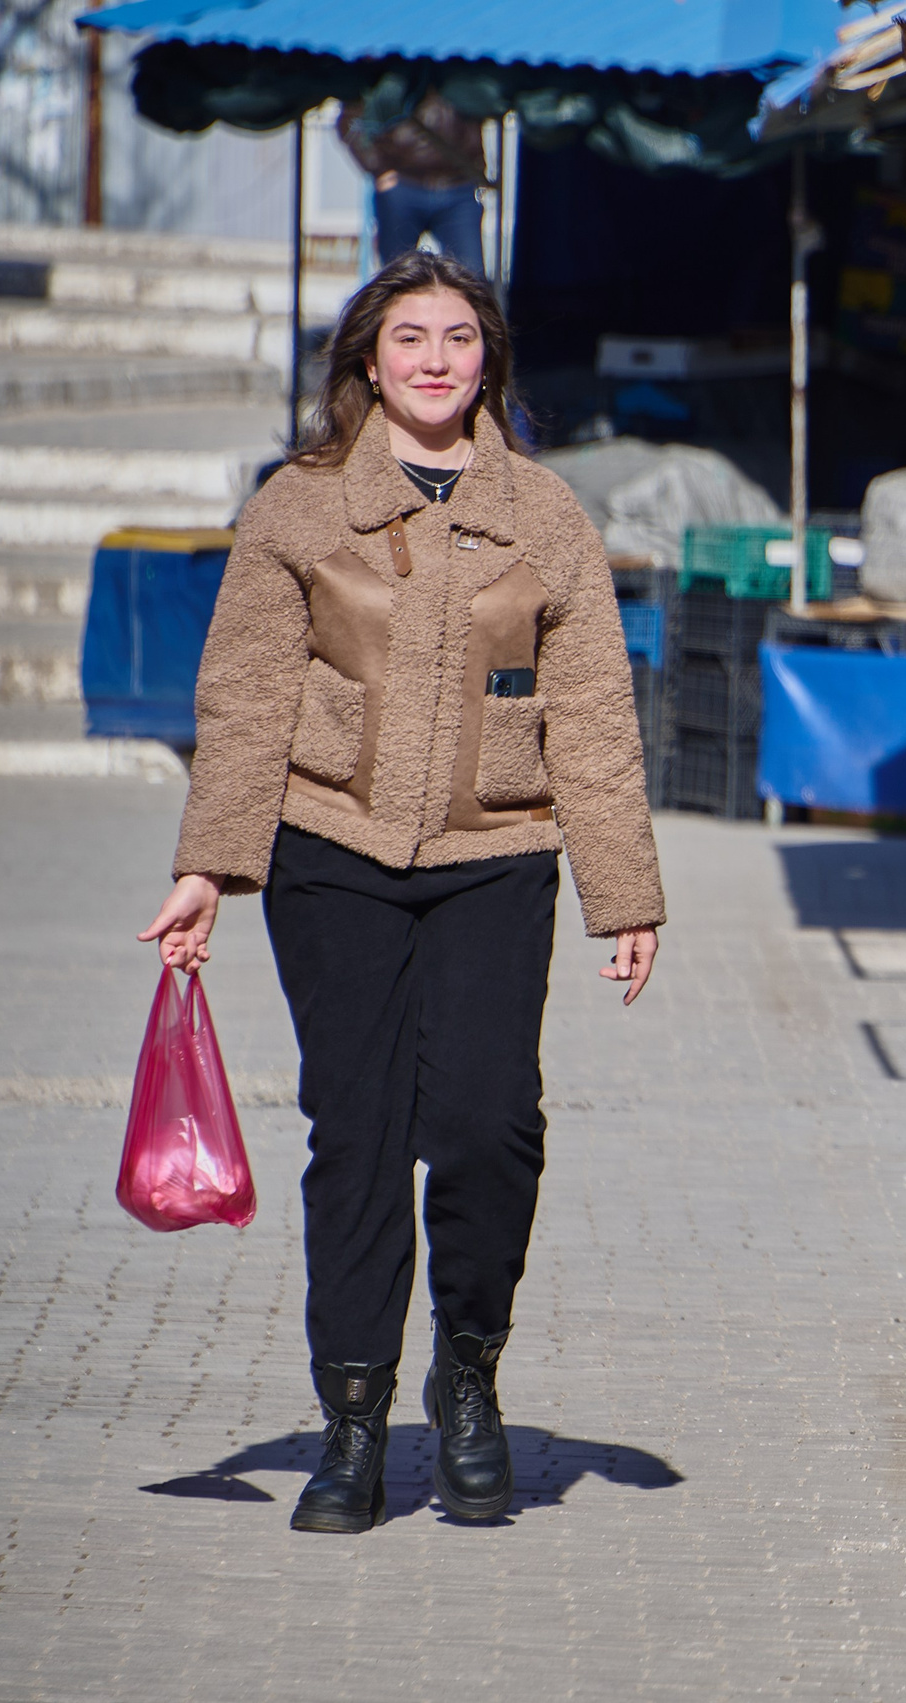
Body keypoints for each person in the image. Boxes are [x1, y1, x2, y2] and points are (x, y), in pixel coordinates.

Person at [138, 250, 665, 1535]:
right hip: (332, 849)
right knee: (358, 1128)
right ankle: (357, 1414)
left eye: (460, 339)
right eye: (409, 338)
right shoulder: (297, 507)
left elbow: (591, 709)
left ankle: (468, 1373)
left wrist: (625, 889)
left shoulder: (546, 515)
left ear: (490, 361)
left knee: (489, 1122)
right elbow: (247, 691)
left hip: (496, 851)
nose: (436, 361)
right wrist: (208, 864)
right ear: (366, 363)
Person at [340, 93, 490, 270]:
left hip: (459, 186)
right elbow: (349, 120)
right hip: (403, 186)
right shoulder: (391, 75)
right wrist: (379, 170)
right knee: (396, 277)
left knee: (471, 277)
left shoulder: (462, 72)